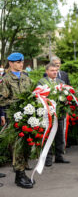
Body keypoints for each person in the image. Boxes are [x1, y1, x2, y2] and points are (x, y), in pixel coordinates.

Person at [0, 52, 33, 188]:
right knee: (17, 146)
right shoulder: (6, 79)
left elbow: (31, 94)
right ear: (11, 63)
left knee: (26, 145)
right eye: (18, 62)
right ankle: (19, 176)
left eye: (22, 62)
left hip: (27, 116)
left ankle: (23, 172)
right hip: (13, 116)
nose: (21, 64)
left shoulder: (26, 77)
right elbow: (2, 100)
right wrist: (19, 102)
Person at [38, 63, 71, 167]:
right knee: (48, 135)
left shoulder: (61, 82)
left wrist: (66, 100)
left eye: (56, 70)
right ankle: (47, 157)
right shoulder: (42, 82)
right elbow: (39, 96)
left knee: (59, 135)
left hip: (59, 113)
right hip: (48, 114)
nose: (55, 72)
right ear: (47, 71)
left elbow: (66, 95)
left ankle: (59, 156)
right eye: (52, 70)